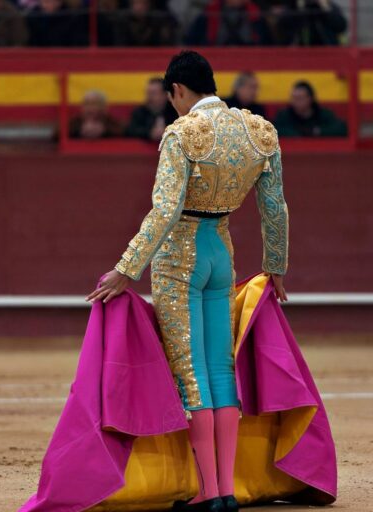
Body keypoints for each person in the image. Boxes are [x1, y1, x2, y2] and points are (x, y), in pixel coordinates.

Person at [88, 50, 289, 512]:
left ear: (177, 90)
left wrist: (126, 268)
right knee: (221, 368)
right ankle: (226, 491)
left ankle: (208, 491)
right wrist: (275, 265)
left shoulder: (183, 133)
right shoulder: (259, 131)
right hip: (222, 252)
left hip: (180, 257)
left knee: (192, 374)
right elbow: (274, 207)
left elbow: (165, 210)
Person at [273, 80, 347, 137]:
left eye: (300, 98)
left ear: (310, 99)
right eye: (293, 98)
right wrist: (297, 133)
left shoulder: (322, 114)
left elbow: (341, 129)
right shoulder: (284, 115)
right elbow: (273, 131)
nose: (295, 102)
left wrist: (317, 131)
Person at [184, 0, 272, 46]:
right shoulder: (210, 14)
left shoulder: (256, 15)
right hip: (214, 61)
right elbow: (190, 41)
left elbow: (268, 44)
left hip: (250, 60)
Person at [270, 0, 346, 46]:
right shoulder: (293, 8)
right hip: (300, 58)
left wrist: (325, 8)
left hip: (327, 55)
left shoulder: (328, 8)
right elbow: (282, 30)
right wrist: (300, 10)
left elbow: (341, 26)